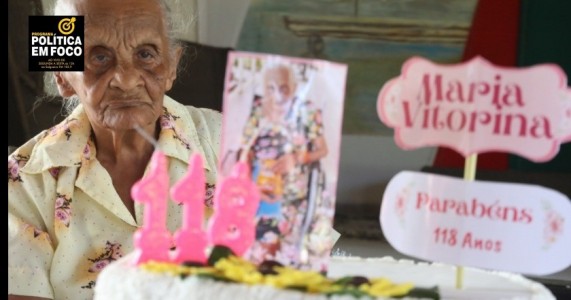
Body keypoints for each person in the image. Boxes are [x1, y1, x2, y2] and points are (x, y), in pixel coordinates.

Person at [8, 0, 222, 299]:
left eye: (146, 54)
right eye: (98, 57)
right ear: (62, 77)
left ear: (172, 66)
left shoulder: (232, 144)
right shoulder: (24, 182)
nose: (126, 79)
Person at [240, 63, 328, 267]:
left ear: (294, 87)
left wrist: (297, 158)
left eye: (284, 88)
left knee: (301, 251)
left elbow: (323, 150)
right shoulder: (258, 109)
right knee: (257, 254)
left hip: (295, 192)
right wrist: (250, 184)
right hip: (261, 187)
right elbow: (246, 151)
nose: (278, 95)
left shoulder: (308, 110)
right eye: (271, 88)